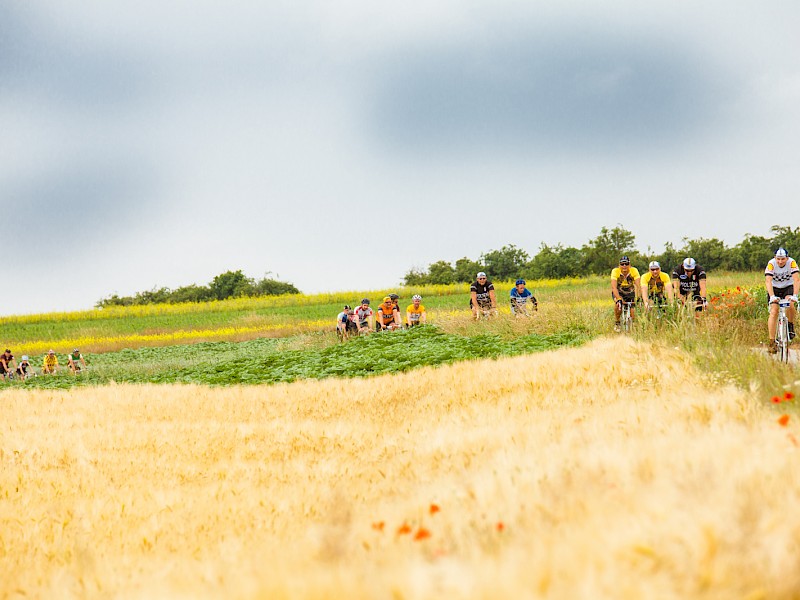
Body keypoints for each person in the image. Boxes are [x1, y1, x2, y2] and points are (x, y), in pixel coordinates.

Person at [765, 247, 800, 353]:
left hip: (787, 287)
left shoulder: (792, 263)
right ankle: (772, 342)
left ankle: (790, 325)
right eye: (778, 259)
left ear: (787, 258)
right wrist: (772, 297)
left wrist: (795, 295)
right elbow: (768, 281)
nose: (780, 261)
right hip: (774, 288)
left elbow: (796, 279)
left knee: (790, 304)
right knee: (774, 311)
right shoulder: (771, 264)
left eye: (783, 259)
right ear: (775, 258)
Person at [610, 256, 640, 331]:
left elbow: (639, 286)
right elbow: (614, 287)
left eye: (626, 264)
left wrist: (639, 298)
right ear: (619, 265)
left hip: (630, 291)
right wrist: (618, 299)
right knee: (618, 305)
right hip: (619, 291)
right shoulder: (615, 271)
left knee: (633, 310)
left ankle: (633, 326)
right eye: (622, 264)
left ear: (629, 265)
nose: (624, 266)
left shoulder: (634, 271)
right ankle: (617, 323)